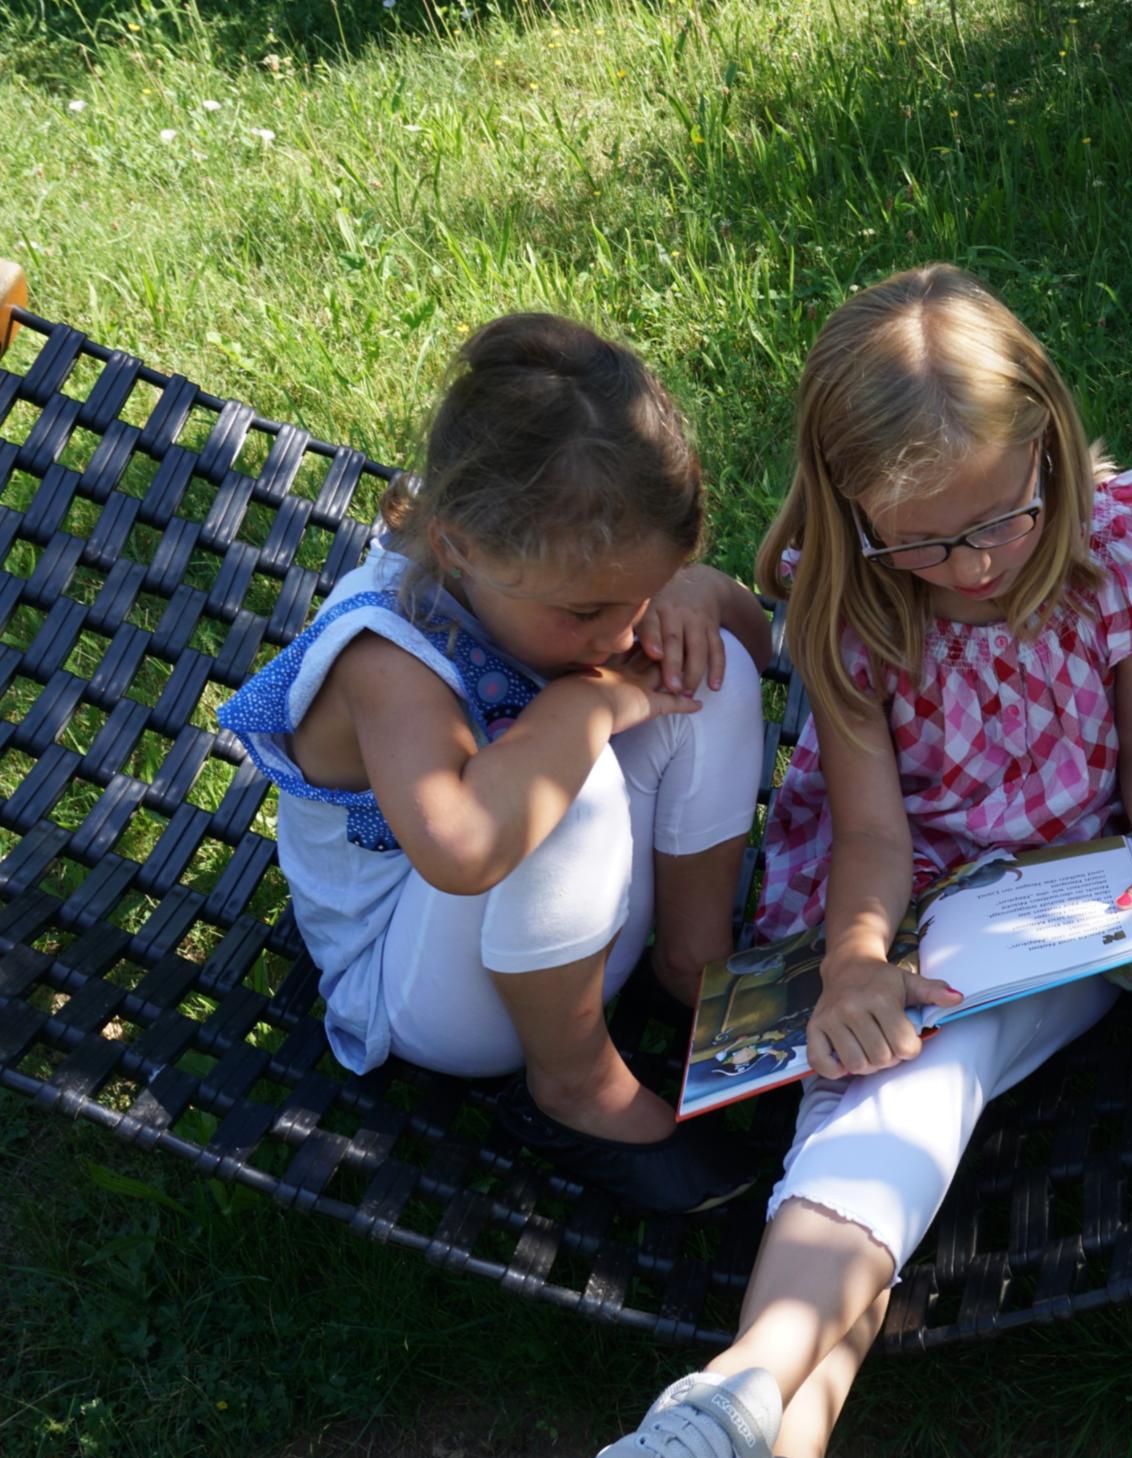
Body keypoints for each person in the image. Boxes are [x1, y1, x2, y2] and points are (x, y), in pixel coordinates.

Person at [548, 265, 1132, 1458]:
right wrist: (856, 960)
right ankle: (779, 1444)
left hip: (1070, 901)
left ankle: (738, 1403)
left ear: (1052, 453)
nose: (966, 566)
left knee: (916, 1072)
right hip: (906, 897)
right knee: (911, 1066)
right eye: (919, 538)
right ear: (848, 507)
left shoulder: (1119, 553)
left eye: (998, 519)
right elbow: (871, 834)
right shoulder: (851, 599)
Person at [217, 312, 771, 1213]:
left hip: (550, 927)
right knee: (563, 774)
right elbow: (465, 848)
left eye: (641, 593)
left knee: (705, 669)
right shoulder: (386, 656)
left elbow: (755, 639)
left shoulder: (565, 578)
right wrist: (585, 704)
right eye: (589, 612)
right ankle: (575, 1085)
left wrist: (694, 602)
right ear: (463, 547)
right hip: (424, 987)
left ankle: (695, 969)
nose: (621, 631)